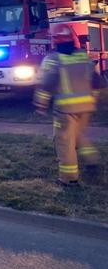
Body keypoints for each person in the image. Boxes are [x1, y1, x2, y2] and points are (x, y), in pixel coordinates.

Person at [34, 24, 106, 186]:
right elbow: (97, 82)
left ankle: (69, 178)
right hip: (86, 107)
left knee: (64, 142)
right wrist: (93, 99)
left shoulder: (53, 60)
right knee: (77, 135)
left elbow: (46, 85)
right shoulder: (83, 57)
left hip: (66, 110)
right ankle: (92, 159)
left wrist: (41, 104)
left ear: (54, 42)